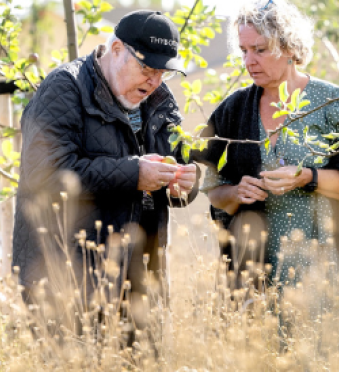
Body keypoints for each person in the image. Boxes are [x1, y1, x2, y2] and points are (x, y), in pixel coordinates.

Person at [193, 0, 339, 358]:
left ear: (289, 48)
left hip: (330, 272)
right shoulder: (233, 110)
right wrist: (236, 191)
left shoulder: (335, 103)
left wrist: (308, 176)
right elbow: (213, 191)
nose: (248, 60)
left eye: (259, 49)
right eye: (243, 50)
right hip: (259, 276)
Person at [12, 11, 201, 347]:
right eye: (146, 68)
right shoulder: (63, 89)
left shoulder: (159, 100)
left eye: (162, 72)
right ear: (115, 49)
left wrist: (185, 180)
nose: (154, 81)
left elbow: (181, 168)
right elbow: (46, 178)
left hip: (141, 281)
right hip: (69, 282)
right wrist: (134, 174)